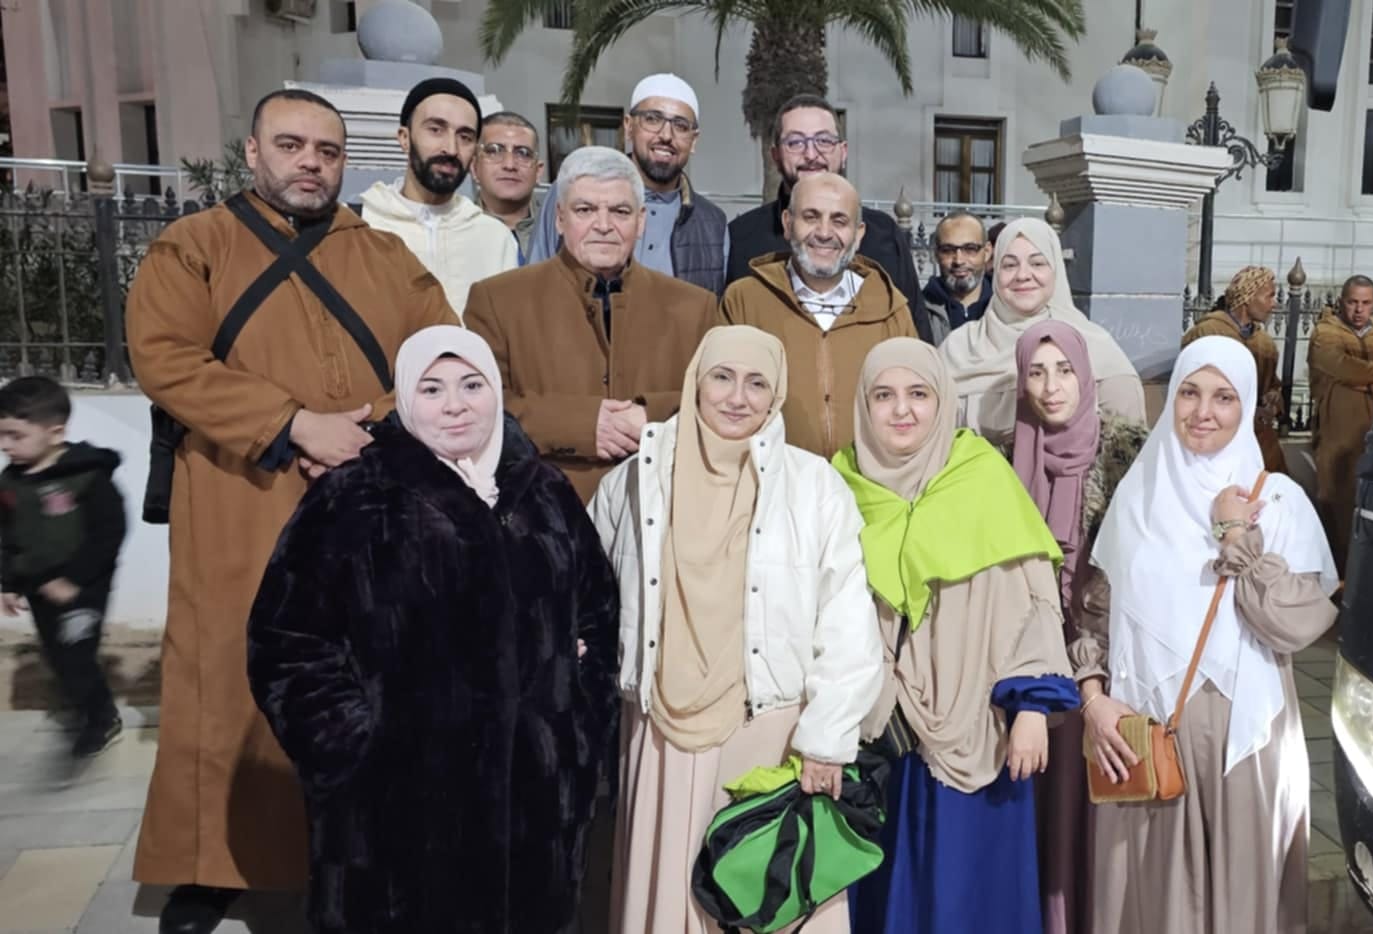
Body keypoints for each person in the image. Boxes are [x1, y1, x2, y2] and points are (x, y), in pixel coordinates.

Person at [125, 86, 459, 934]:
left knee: (361, 675)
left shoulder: (384, 255)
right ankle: (209, 865)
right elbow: (164, 356)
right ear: (252, 152)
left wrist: (373, 430)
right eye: (291, 145)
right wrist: (292, 424)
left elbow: (443, 353)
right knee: (224, 673)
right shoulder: (194, 245)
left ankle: (348, 854)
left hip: (367, 498)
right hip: (239, 494)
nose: (310, 163)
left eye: (327, 150)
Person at [248, 326, 619, 934]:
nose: (455, 405)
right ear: (405, 400)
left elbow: (598, 614)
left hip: (537, 808)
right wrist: (355, 751)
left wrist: (578, 722)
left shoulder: (545, 492)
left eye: (472, 385)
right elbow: (287, 642)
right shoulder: (353, 496)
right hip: (396, 818)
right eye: (432, 389)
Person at [588, 326, 883, 933]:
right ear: (696, 382)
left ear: (777, 395)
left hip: (771, 730)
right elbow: (589, 593)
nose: (737, 397)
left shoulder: (814, 486)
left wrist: (826, 738)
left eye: (757, 383)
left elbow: (848, 619)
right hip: (660, 731)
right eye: (722, 377)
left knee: (763, 900)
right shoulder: (634, 481)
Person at [1076, 336, 1339, 934]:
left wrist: (1235, 535)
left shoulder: (1279, 502)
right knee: (1148, 889)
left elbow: (1292, 625)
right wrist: (1092, 700)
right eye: (1189, 393)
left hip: (1241, 735)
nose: (1202, 412)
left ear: (1246, 404)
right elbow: (1096, 617)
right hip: (1145, 732)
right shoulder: (1137, 497)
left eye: (1224, 397)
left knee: (1237, 889)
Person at [835, 339, 1078, 934]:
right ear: (862, 405)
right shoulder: (839, 485)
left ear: (943, 401)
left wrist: (1031, 709)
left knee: (970, 896)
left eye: (919, 394)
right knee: (884, 890)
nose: (902, 410)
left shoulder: (982, 478)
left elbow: (1034, 602)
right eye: (884, 395)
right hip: (878, 739)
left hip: (978, 731)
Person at [467, 145, 721, 502]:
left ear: (641, 221)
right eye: (585, 210)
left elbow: (719, 401)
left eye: (620, 211)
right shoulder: (497, 300)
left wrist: (651, 416)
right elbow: (479, 407)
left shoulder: (695, 307)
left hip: (659, 510)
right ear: (559, 218)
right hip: (542, 512)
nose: (603, 225)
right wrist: (581, 425)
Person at [1008, 322, 1147, 934]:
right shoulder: (1000, 462)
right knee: (1039, 816)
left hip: (1107, 673)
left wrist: (1091, 681)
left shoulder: (1128, 458)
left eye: (1064, 370)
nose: (1051, 386)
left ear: (1086, 374)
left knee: (1096, 821)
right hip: (1029, 672)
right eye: (1037, 372)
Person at [721, 172, 919, 458]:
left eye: (839, 221)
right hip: (771, 478)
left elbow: (914, 408)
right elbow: (720, 403)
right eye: (811, 217)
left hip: (867, 481)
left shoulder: (891, 310)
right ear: (787, 224)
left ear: (858, 234)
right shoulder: (745, 301)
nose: (824, 233)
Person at [724, 95, 927, 341]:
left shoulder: (884, 236)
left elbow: (915, 335)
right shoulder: (741, 237)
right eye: (795, 142)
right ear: (775, 155)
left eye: (824, 140)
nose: (811, 154)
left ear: (843, 152)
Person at [0, 376, 126, 758]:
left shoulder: (86, 475)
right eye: (1, 435)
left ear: (55, 433)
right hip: (38, 586)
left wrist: (73, 580)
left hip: (83, 588)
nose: (5, 445)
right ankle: (87, 705)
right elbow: (6, 536)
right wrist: (8, 583)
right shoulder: (10, 483)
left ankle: (102, 718)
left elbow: (110, 531)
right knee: (57, 656)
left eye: (15, 435)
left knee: (76, 653)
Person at [940, 218, 1144, 447]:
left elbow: (1125, 449)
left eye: (1037, 263)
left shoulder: (1094, 346)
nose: (1023, 275)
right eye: (1009, 265)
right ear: (995, 271)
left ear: (1055, 269)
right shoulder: (959, 348)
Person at [528, 75, 731, 294]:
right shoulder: (571, 191)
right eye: (652, 119)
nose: (666, 135)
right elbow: (534, 288)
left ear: (694, 140)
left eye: (681, 126)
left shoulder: (713, 224)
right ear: (629, 127)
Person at [358, 78, 520, 316]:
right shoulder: (363, 226)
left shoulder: (495, 238)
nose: (451, 149)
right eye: (436, 130)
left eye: (465, 137)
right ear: (404, 138)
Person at [1308, 275, 1373, 570]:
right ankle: (1336, 569)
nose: (1359, 310)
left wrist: (1360, 381)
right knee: (1335, 498)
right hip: (1336, 430)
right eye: (1352, 302)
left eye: (1365, 303)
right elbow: (1338, 365)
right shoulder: (1326, 333)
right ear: (1342, 301)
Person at [1183, 266, 1288, 473]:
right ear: (1248, 297)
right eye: (1269, 296)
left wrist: (1273, 399)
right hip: (1213, 437)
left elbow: (1272, 385)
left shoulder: (1265, 343)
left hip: (1258, 439)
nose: (1273, 304)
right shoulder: (1207, 333)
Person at [474, 111, 546, 262]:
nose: (509, 165)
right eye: (494, 151)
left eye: (523, 153)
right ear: (474, 168)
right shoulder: (451, 232)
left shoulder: (560, 232)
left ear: (538, 171)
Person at [920, 211, 994, 337]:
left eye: (970, 249)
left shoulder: (1007, 309)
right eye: (948, 250)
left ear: (987, 252)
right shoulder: (918, 311)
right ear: (935, 255)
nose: (959, 261)